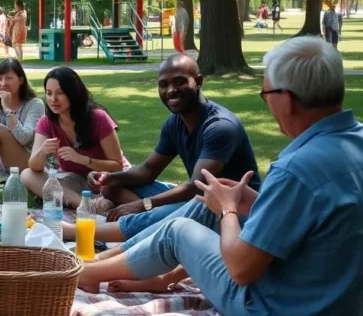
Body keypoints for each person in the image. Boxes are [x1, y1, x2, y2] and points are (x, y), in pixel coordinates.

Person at [78, 37, 363, 316]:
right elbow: (321, 224)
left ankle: (87, 272)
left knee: (179, 229)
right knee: (204, 202)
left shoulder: (295, 169)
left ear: (285, 99)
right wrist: (252, 203)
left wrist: (228, 210)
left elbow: (241, 269)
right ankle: (101, 262)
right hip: (347, 310)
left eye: (264, 94)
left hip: (283, 311)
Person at [67, 53, 261, 243]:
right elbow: (148, 170)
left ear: (198, 81)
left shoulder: (220, 127)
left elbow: (196, 186)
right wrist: (110, 177)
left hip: (232, 211)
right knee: (112, 187)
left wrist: (144, 205)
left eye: (179, 82)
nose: (170, 90)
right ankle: (151, 221)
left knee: (159, 217)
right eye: (163, 84)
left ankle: (77, 233)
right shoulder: (175, 123)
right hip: (199, 198)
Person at [20, 67, 128, 209]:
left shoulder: (98, 118)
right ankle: (87, 205)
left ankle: (90, 201)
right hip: (74, 178)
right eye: (49, 93)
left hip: (106, 179)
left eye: (60, 93)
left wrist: (83, 160)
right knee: (27, 175)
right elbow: (34, 166)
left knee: (125, 195)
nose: (53, 99)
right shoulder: (46, 122)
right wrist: (42, 152)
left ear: (73, 93)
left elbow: (117, 166)